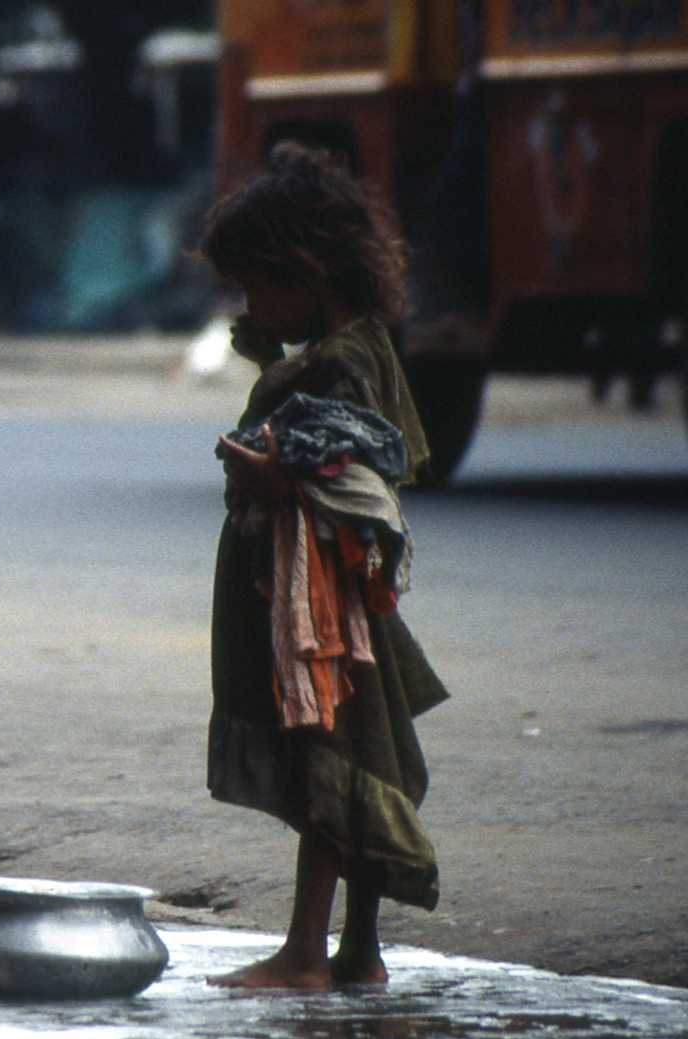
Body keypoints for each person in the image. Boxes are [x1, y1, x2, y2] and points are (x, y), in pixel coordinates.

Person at [198, 143, 449, 989]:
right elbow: (392, 445)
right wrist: (272, 357)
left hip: (317, 606)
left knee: (327, 765)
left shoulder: (338, 362)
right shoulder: (363, 344)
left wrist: (270, 472)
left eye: (260, 288)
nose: (253, 307)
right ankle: (359, 951)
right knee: (359, 762)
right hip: (350, 600)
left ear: (305, 270)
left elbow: (351, 466)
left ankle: (305, 952)